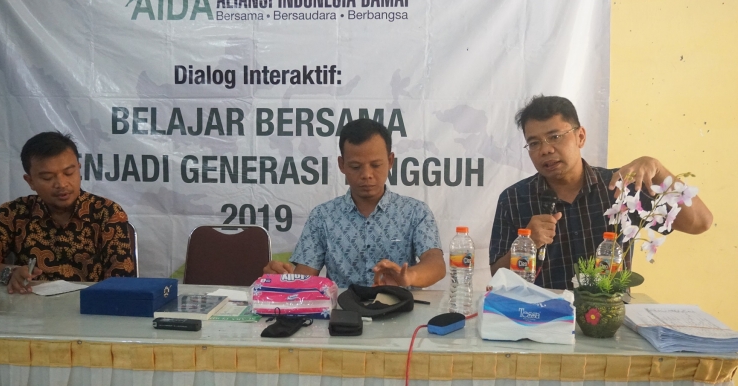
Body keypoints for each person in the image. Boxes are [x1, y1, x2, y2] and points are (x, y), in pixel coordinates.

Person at [489, 96, 712, 289]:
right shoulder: (514, 199)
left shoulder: (621, 188)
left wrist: (658, 169)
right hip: (539, 317)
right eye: (534, 143)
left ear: (580, 137)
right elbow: (498, 276)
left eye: (555, 137)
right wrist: (526, 245)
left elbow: (700, 223)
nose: (545, 149)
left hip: (607, 317)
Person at [263, 119, 446, 289]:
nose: (366, 175)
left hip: (399, 308)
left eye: (376, 165)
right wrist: (281, 278)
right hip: (342, 311)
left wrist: (409, 276)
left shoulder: (415, 212)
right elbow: (303, 278)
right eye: (355, 167)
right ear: (342, 164)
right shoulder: (322, 216)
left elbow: (436, 265)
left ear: (390, 161)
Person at [0, 131, 136, 294]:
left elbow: (121, 279)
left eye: (69, 173)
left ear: (79, 169)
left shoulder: (107, 213)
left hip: (91, 303)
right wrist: (10, 273)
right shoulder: (13, 213)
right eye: (47, 177)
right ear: (30, 181)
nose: (61, 184)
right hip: (31, 305)